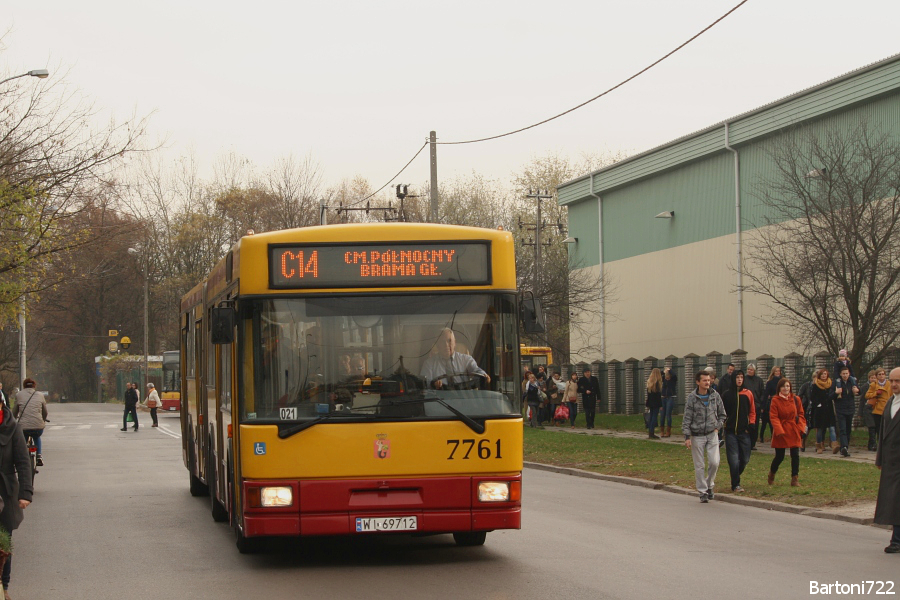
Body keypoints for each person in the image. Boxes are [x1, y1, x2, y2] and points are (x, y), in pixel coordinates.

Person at [0, 386, 33, 599]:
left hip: (6, 491)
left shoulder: (13, 428)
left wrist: (25, 493)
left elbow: (23, 463)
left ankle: (4, 587)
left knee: (3, 542)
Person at [683, 371, 726, 503]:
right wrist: (687, 436)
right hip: (697, 435)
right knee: (699, 465)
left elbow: (722, 414)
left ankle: (709, 484)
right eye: (704, 380)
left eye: (709, 380)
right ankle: (702, 491)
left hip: (712, 433)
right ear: (698, 382)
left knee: (714, 462)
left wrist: (717, 427)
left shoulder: (715, 395)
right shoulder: (692, 398)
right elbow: (687, 417)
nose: (707, 382)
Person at [873, 367, 900, 553]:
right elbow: (883, 433)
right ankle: (896, 538)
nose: (894, 384)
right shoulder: (890, 402)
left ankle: (896, 540)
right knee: (893, 500)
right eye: (892, 381)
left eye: (898, 381)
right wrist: (880, 458)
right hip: (891, 460)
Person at [768, 377, 807, 487]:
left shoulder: (795, 399)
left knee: (795, 454)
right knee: (779, 456)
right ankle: (772, 473)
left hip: (793, 429)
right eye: (784, 386)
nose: (786, 388)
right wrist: (779, 430)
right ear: (779, 388)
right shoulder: (775, 400)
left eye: (788, 386)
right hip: (781, 430)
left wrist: (801, 428)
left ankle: (795, 478)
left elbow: (801, 414)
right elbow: (774, 417)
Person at [420, 328, 490, 389]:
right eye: (442, 342)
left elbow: (476, 370)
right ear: (438, 345)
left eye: (449, 341)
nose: (446, 345)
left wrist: (484, 375)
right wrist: (433, 384)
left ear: (455, 343)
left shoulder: (466, 359)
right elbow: (424, 384)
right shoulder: (429, 364)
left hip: (463, 399)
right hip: (440, 400)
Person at [722, 370, 756, 492]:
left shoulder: (748, 394)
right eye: (737, 377)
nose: (740, 380)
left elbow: (752, 411)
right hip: (730, 432)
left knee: (745, 458)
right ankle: (735, 484)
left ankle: (735, 475)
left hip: (744, 432)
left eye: (741, 377)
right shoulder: (726, 395)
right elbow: (722, 412)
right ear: (733, 379)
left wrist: (751, 424)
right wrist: (723, 425)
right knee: (733, 459)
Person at [13, 379, 48, 467]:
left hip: (23, 427)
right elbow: (45, 412)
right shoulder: (40, 395)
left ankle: (22, 457)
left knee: (23, 440)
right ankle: (39, 456)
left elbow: (14, 412)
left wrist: (13, 420)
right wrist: (42, 420)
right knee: (37, 437)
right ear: (34, 386)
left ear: (24, 385)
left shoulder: (18, 395)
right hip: (38, 426)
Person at [833, 367, 859, 457]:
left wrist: (858, 391)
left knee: (848, 429)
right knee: (843, 429)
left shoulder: (852, 382)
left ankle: (844, 447)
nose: (845, 375)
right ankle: (844, 447)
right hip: (840, 409)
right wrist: (836, 393)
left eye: (846, 373)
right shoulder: (836, 383)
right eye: (843, 373)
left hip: (850, 409)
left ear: (849, 374)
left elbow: (859, 391)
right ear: (840, 374)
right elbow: (830, 396)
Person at [866, 368, 891, 452]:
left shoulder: (889, 384)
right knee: (878, 428)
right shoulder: (873, 385)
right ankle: (878, 445)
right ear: (876, 376)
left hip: (887, 408)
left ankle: (885, 445)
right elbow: (867, 395)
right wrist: (875, 393)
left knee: (886, 428)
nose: (881, 376)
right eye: (879, 374)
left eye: (882, 374)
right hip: (877, 409)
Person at [759, 366, 783, 444]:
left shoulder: (782, 381)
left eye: (779, 371)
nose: (778, 373)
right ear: (773, 372)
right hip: (773, 402)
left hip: (782, 401)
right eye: (776, 371)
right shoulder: (770, 382)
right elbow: (766, 394)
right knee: (772, 422)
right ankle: (773, 437)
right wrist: (763, 406)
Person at [744, 364, 765, 449]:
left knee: (755, 425)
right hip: (746, 405)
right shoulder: (744, 380)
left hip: (756, 405)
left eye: (751, 370)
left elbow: (762, 393)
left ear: (754, 371)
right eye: (748, 369)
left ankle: (753, 443)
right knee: (746, 424)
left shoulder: (759, 380)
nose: (749, 371)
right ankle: (746, 442)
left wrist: (760, 404)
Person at [660, 367, 678, 438]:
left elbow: (674, 375)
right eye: (666, 377)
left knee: (668, 414)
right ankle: (662, 431)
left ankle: (668, 431)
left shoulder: (673, 380)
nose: (667, 378)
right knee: (662, 415)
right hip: (663, 398)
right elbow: (659, 375)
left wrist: (670, 369)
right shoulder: (663, 380)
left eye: (668, 377)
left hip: (670, 397)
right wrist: (664, 371)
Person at [645, 368, 662, 439]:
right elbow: (658, 396)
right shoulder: (657, 383)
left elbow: (648, 394)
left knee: (651, 417)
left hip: (650, 402)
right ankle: (651, 433)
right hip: (656, 403)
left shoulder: (649, 383)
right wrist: (661, 405)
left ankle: (650, 432)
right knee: (654, 417)